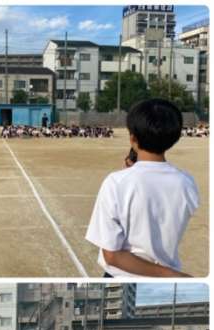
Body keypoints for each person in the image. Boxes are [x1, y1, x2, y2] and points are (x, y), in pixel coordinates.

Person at [85, 98, 199, 278]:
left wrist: (169, 275)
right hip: (166, 273)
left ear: (132, 138)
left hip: (123, 276)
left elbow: (112, 255)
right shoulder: (187, 182)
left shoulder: (116, 183)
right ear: (174, 138)